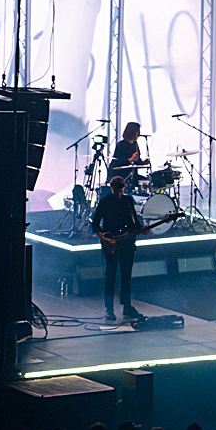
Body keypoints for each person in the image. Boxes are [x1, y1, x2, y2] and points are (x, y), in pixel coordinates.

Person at [91, 175, 144, 321]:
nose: (118, 191)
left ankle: (127, 306)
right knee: (111, 275)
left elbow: (134, 220)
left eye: (120, 188)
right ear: (111, 187)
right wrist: (104, 239)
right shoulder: (105, 201)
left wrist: (141, 228)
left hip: (127, 242)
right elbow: (95, 224)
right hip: (112, 242)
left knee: (126, 275)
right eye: (116, 188)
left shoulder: (128, 201)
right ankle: (109, 309)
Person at [109, 121, 149, 190]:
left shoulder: (135, 144)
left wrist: (143, 163)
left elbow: (137, 162)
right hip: (121, 176)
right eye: (138, 132)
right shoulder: (121, 145)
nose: (139, 134)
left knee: (147, 182)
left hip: (133, 175)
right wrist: (131, 160)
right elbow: (118, 162)